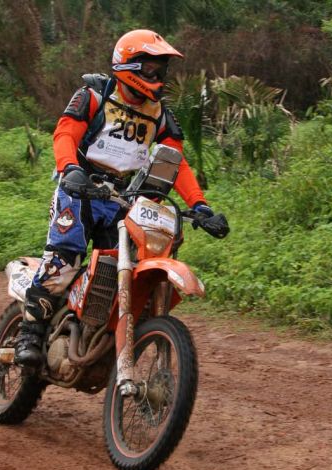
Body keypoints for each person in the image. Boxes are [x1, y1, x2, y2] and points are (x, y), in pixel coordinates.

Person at [14, 29, 225, 367]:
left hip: (122, 198)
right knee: (64, 260)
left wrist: (200, 206)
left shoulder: (160, 114)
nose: (158, 77)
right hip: (80, 188)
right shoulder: (95, 95)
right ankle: (29, 333)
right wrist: (69, 169)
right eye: (150, 69)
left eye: (161, 71)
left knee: (119, 267)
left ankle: (98, 332)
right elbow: (66, 131)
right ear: (128, 66)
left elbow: (177, 162)